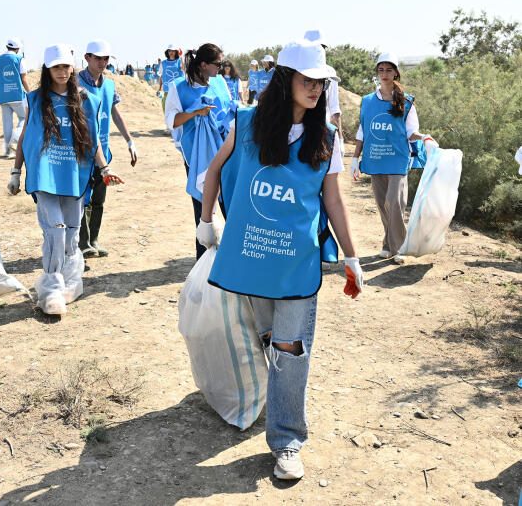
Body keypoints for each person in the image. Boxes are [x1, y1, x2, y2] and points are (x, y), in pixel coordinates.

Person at [198, 39, 363, 482]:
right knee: (269, 338)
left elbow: (334, 200)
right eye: (308, 80)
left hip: (296, 265)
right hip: (254, 259)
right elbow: (213, 171)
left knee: (291, 349)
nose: (315, 89)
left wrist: (352, 256)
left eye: (321, 83)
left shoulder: (326, 137)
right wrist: (205, 221)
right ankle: (272, 395)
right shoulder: (247, 121)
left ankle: (287, 439)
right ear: (287, 79)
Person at [7, 44, 122, 315]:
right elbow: (24, 137)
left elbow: (93, 140)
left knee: (72, 231)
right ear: (47, 69)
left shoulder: (86, 100)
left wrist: (104, 169)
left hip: (74, 174)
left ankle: (72, 282)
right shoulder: (34, 99)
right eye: (56, 66)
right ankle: (50, 289)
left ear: (72, 68)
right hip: (45, 175)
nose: (62, 71)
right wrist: (16, 171)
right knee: (55, 230)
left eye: (66, 66)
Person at [350, 52, 438, 264]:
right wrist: (355, 158)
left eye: (389, 70)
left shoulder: (406, 102)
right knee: (382, 204)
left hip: (398, 158)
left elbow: (411, 132)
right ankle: (388, 245)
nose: (384, 73)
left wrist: (424, 137)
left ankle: (399, 246)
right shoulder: (368, 101)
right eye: (381, 69)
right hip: (375, 157)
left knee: (394, 201)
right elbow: (363, 131)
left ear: (396, 73)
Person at [165, 43, 232, 259]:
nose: (220, 69)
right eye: (217, 64)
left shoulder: (220, 82)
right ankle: (203, 260)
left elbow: (228, 111)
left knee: (229, 204)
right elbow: (172, 121)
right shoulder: (178, 87)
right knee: (203, 209)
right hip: (196, 156)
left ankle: (231, 256)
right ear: (203, 64)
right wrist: (195, 112)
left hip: (225, 152)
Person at [77, 39, 137, 257]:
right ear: (87, 58)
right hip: (81, 152)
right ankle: (82, 243)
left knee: (99, 198)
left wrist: (129, 140)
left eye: (105, 58)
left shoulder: (109, 85)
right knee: (82, 197)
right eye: (98, 58)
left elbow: (115, 113)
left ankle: (93, 239)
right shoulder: (75, 83)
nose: (102, 62)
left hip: (104, 151)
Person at [304, 30, 343, 153]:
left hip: (322, 128)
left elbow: (334, 107)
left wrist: (339, 138)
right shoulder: (297, 72)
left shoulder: (330, 73)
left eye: (321, 47)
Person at [0, 38, 30, 157]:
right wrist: (29, 92)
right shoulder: (19, 59)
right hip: (17, 95)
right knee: (24, 118)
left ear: (7, 46)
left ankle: (8, 151)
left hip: (3, 96)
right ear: (18, 49)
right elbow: (23, 78)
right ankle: (15, 140)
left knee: (7, 124)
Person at [158, 44, 184, 111]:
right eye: (169, 51)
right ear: (167, 52)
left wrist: (181, 58)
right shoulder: (163, 63)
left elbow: (184, 69)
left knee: (180, 110)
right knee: (166, 109)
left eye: (173, 51)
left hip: (178, 90)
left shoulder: (179, 61)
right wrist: (160, 88)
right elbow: (161, 76)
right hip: (167, 90)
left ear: (176, 52)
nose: (171, 52)